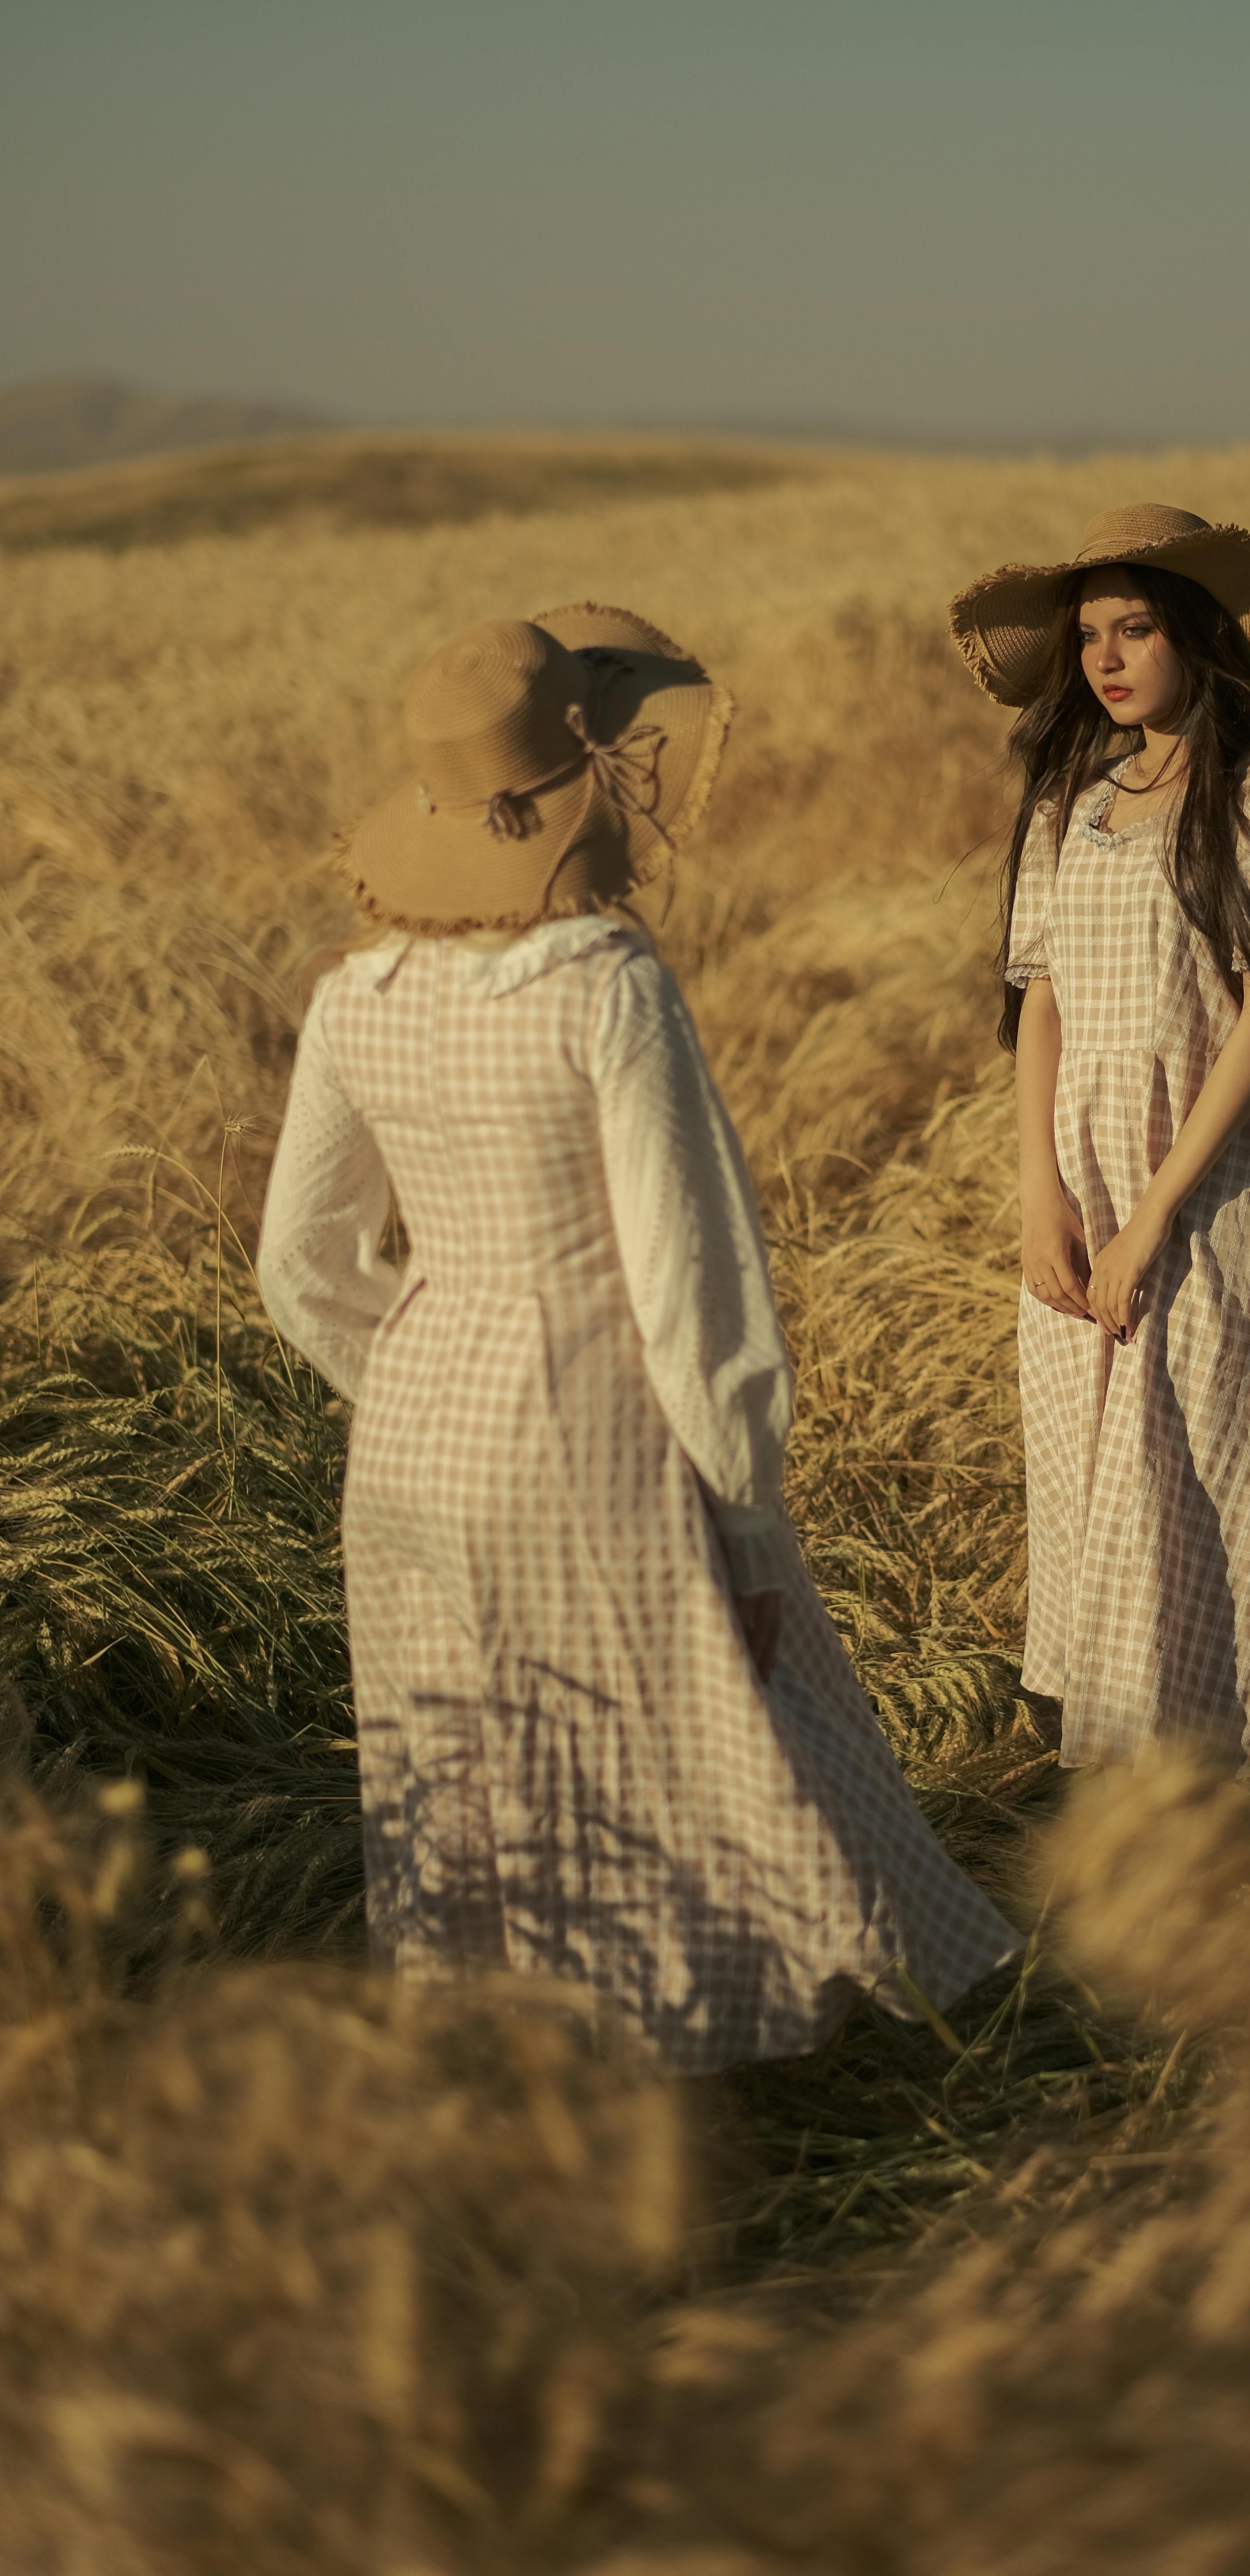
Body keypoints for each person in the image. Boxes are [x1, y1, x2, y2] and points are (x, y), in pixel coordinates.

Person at [258, 604, 1015, 2071]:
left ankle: (499, 2065)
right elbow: (692, 1281)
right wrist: (744, 1516)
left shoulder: (355, 999)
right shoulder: (606, 988)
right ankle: (694, 2049)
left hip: (412, 1440)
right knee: (667, 1738)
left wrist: (415, 1367)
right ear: (583, 782)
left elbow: (301, 1262)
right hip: (587, 1429)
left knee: (469, 1754)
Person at [948, 505, 1250, 1780]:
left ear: (1196, 636)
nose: (1106, 657)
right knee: (1100, 1446)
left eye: (1134, 627)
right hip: (1082, 1160)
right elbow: (1040, 1000)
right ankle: (1135, 1736)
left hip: (1210, 1160)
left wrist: (1155, 1211)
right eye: (1089, 633)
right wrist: (1042, 1192)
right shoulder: (1070, 803)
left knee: (1225, 1436)